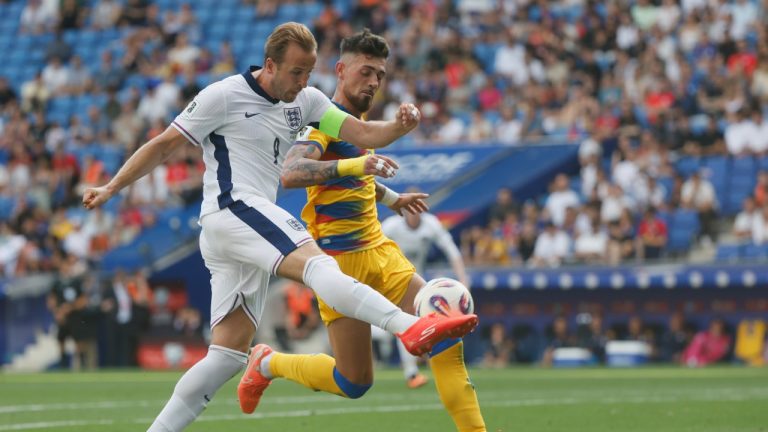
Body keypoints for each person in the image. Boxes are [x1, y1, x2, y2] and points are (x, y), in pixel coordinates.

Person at [81, 22, 477, 432]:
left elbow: (361, 132)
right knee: (320, 267)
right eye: (295, 72)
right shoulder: (222, 95)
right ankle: (410, 327)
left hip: (238, 230)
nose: (303, 82)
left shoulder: (306, 100)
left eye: (309, 72)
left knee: (227, 355)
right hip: (231, 206)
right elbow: (164, 144)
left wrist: (398, 128)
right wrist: (113, 186)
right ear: (270, 65)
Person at [238, 29, 486, 432]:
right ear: (340, 70)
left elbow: (358, 174)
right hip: (338, 264)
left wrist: (392, 199)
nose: (373, 82)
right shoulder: (322, 119)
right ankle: (267, 362)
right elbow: (293, 172)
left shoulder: (360, 123)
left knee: (443, 335)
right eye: (366, 72)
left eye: (380, 75)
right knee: (353, 382)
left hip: (379, 251)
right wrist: (357, 167)